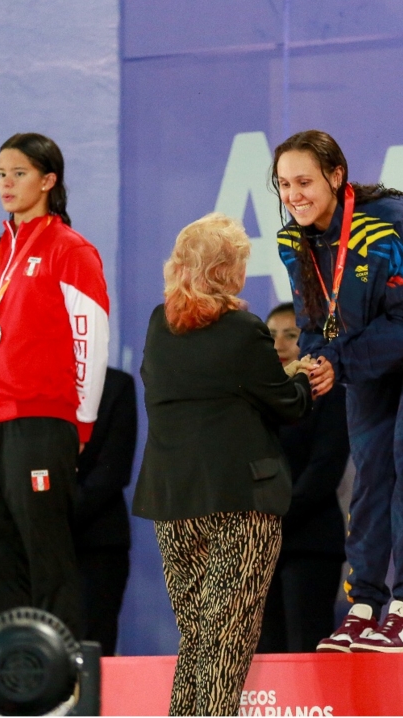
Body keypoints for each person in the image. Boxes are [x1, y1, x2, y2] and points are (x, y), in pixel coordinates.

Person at [272, 130, 403, 653]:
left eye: (304, 181)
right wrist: (314, 364)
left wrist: (336, 360)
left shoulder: (390, 220)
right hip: (367, 348)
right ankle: (364, 607)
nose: (293, 194)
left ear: (336, 176)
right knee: (370, 472)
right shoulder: (292, 240)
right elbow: (311, 326)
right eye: (283, 184)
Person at [132, 212, 313, 716]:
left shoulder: (158, 325)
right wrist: (303, 376)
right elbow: (288, 404)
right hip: (241, 501)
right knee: (226, 641)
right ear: (225, 270)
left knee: (197, 637)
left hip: (173, 503)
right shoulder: (243, 330)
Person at [0, 133, 110, 639]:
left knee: (48, 564)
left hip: (41, 425)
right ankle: (16, 686)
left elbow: (90, 341)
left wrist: (80, 425)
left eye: (19, 173)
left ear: (48, 181)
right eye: (1, 173)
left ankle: (61, 689)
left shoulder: (71, 249)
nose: (6, 183)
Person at [256, 302, 350, 654]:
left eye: (290, 335)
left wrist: (274, 514)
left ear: (309, 341)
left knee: (305, 648)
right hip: (260, 545)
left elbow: (325, 469)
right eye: (270, 336)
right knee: (266, 654)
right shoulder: (253, 396)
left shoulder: (329, 394)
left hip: (309, 541)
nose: (278, 345)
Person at [74, 366, 136, 656]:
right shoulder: (36, 385)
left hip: (98, 541)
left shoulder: (116, 385)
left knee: (93, 651)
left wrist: (58, 513)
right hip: (43, 543)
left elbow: (114, 469)